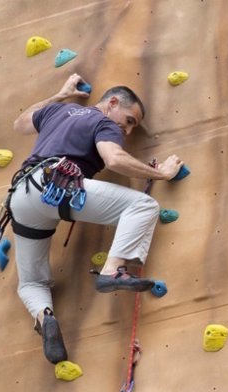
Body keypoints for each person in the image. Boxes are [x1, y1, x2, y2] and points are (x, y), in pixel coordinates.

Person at [10, 73, 183, 364]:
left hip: (21, 197)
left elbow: (20, 123)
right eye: (128, 120)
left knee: (31, 282)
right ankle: (113, 270)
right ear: (112, 102)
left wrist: (61, 94)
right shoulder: (104, 122)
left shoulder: (57, 110)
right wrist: (161, 173)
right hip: (58, 186)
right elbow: (114, 158)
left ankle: (45, 316)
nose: (126, 130)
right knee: (143, 207)